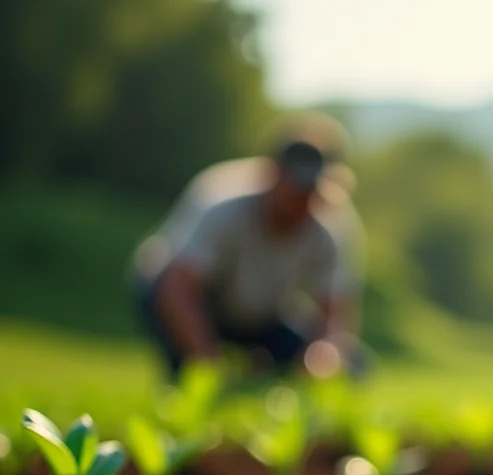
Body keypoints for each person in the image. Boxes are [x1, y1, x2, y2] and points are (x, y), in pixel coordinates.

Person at [134, 116, 366, 379]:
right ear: (272, 176)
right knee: (189, 376)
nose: (300, 206)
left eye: (309, 195)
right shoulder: (223, 204)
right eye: (294, 192)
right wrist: (209, 363)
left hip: (262, 312)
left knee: (355, 366)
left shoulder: (332, 224)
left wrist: (321, 360)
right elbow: (177, 288)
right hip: (186, 297)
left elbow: (334, 318)